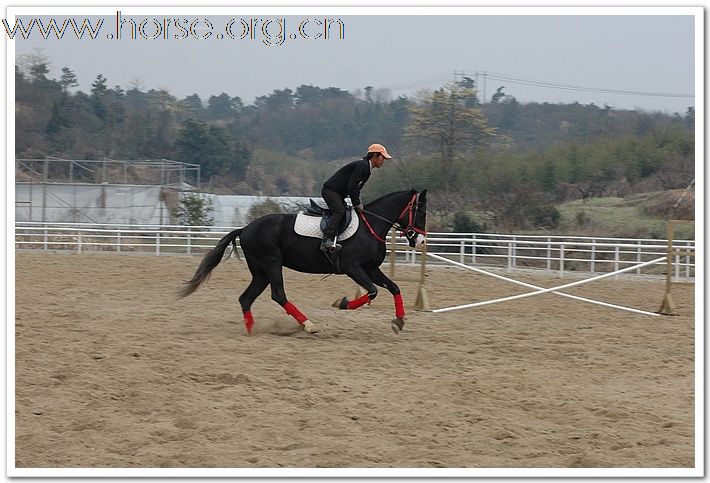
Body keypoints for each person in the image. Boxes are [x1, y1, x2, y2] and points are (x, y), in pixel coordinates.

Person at [320, 143, 392, 252]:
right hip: (330, 191)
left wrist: (358, 203)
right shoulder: (362, 166)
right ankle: (326, 240)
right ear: (375, 155)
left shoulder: (367, 169)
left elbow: (356, 189)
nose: (383, 161)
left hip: (338, 194)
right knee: (339, 211)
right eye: (382, 157)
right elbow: (352, 186)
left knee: (346, 212)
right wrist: (357, 203)